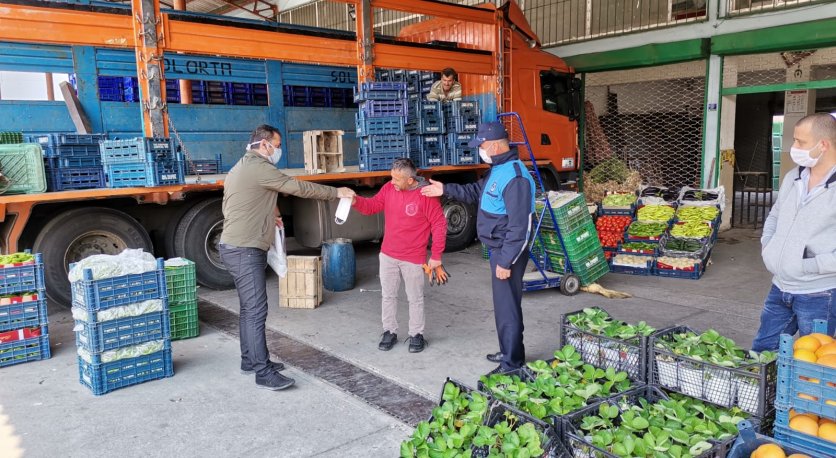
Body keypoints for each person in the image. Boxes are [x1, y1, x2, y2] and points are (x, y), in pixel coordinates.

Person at [219, 124, 355, 391]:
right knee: (256, 310)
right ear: (264, 144)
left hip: (235, 246)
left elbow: (255, 196)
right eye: (277, 145)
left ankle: (250, 360)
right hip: (244, 250)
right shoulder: (260, 167)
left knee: (249, 309)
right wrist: (336, 192)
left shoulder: (243, 166)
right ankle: (262, 371)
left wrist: (274, 213)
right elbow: (296, 187)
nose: (279, 150)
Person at [421, 122, 536, 372]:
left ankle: (512, 364)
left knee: (508, 308)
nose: (480, 150)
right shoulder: (497, 169)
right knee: (503, 306)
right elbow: (476, 192)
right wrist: (445, 189)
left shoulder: (516, 177)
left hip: (508, 252)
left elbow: (520, 227)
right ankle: (509, 351)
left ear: (494, 145)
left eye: (481, 145)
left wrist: (506, 261)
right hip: (498, 249)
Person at [752, 113, 836, 352]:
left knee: (810, 366)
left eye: (800, 142)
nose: (794, 147)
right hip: (780, 286)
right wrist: (768, 245)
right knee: (762, 353)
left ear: (823, 145)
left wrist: (809, 266)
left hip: (819, 293)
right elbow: (775, 215)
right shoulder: (793, 176)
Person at [352, 158, 448, 353]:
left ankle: (416, 334)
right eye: (391, 177)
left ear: (410, 180)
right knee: (388, 295)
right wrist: (355, 200)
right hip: (388, 254)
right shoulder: (389, 188)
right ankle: (389, 331)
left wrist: (436, 255)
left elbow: (439, 225)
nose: (392, 182)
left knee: (415, 298)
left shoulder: (426, 195)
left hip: (414, 258)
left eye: (397, 179)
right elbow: (372, 206)